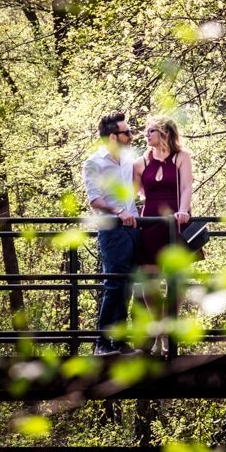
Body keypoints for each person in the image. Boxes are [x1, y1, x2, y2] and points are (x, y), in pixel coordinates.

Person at [82, 111, 142, 356]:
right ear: (114, 137)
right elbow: (94, 199)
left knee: (128, 286)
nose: (131, 136)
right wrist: (118, 211)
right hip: (112, 230)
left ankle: (118, 342)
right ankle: (102, 343)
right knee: (115, 285)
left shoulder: (130, 160)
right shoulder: (94, 162)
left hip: (134, 227)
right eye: (127, 132)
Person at [133, 115, 193, 355]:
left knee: (176, 281)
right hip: (150, 222)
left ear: (165, 134)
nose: (146, 135)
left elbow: (187, 186)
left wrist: (183, 210)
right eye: (147, 131)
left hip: (175, 221)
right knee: (148, 280)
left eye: (151, 131)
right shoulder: (141, 163)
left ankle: (169, 332)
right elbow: (132, 194)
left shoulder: (181, 157)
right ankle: (158, 331)